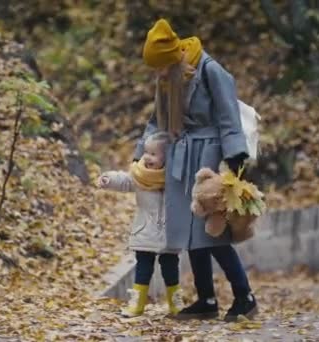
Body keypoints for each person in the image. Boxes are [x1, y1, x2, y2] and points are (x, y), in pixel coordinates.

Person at [134, 19, 257, 321]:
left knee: (211, 232)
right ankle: (207, 300)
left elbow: (229, 114)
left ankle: (245, 296)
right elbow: (156, 120)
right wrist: (142, 152)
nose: (158, 74)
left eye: (160, 67)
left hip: (209, 155)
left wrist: (233, 158)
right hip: (180, 154)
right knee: (188, 234)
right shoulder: (167, 78)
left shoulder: (210, 70)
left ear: (173, 58)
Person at [98, 131, 184, 317]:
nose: (147, 157)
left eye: (153, 154)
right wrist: (110, 179)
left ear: (168, 156)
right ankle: (137, 302)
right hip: (145, 232)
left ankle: (175, 302)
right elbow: (126, 180)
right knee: (143, 268)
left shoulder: (175, 179)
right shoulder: (141, 176)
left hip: (169, 234)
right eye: (146, 152)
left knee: (170, 269)